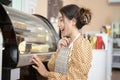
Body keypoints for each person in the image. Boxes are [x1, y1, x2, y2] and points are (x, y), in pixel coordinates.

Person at [32, 4, 92, 80]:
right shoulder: (67, 43)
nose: (58, 24)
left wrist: (46, 73)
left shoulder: (83, 45)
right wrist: (58, 51)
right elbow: (52, 67)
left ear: (73, 21)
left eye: (61, 20)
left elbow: (74, 78)